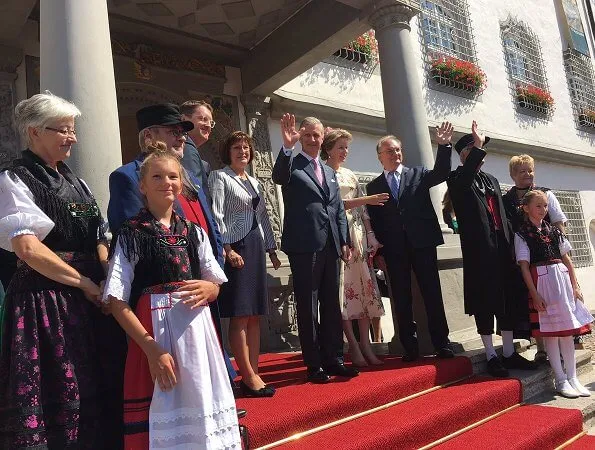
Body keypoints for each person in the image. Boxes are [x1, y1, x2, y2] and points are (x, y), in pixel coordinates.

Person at [0, 92, 124, 448]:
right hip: (45, 300)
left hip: (88, 297)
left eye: (73, 129)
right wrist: (84, 282)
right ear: (35, 131)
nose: (73, 137)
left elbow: (99, 232)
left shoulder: (76, 181)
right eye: (64, 130)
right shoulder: (15, 178)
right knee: (56, 389)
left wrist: (105, 279)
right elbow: (28, 248)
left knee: (97, 387)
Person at [103, 148, 240, 448]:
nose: (166, 182)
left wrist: (211, 289)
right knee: (166, 405)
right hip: (157, 334)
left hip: (198, 334)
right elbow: (115, 298)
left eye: (173, 176)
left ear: (181, 183)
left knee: (201, 400)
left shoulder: (194, 231)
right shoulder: (131, 233)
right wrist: (151, 349)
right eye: (157, 176)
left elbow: (215, 279)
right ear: (142, 186)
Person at [107, 103, 238, 389]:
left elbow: (205, 223)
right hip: (159, 304)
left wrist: (213, 277)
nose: (181, 138)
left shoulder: (186, 175)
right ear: (149, 136)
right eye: (173, 131)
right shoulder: (127, 176)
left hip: (198, 287)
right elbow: (137, 240)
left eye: (182, 132)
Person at [447, 121, 536, 378]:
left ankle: (508, 352)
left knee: (507, 300)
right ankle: (490, 354)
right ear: (465, 154)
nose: (483, 153)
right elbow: (465, 178)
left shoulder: (493, 180)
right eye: (477, 148)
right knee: (484, 302)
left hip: (502, 249)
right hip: (480, 252)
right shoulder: (457, 179)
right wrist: (476, 144)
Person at [272, 114, 357, 384]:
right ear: (301, 137)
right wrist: (286, 148)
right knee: (308, 306)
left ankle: (335, 358)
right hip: (304, 246)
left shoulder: (330, 170)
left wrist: (344, 239)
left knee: (331, 305)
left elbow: (337, 208)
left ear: (323, 138)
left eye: (316, 135)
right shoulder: (292, 165)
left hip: (331, 246)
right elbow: (278, 176)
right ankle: (314, 364)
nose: (312, 140)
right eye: (307, 135)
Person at [366, 124, 454, 362]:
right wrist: (379, 253)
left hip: (422, 244)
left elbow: (442, 173)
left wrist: (444, 146)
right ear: (380, 157)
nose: (396, 154)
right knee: (401, 298)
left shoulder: (418, 174)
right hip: (394, 250)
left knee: (432, 294)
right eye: (390, 151)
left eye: (398, 150)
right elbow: (375, 220)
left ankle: (442, 343)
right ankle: (409, 347)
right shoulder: (373, 187)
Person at [209, 131, 281, 397]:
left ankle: (255, 371)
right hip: (236, 247)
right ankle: (247, 376)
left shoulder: (253, 181)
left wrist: (272, 249)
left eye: (246, 148)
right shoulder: (220, 176)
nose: (243, 152)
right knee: (240, 313)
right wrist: (226, 249)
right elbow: (216, 215)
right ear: (228, 152)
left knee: (254, 314)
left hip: (255, 245)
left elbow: (262, 216)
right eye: (237, 147)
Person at [515, 190, 593, 398]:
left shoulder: (553, 231)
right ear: (526, 208)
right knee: (551, 333)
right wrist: (535, 294)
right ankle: (560, 379)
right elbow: (524, 267)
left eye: (545, 206)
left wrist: (575, 285)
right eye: (538, 206)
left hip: (562, 281)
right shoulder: (522, 234)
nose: (543, 210)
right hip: (543, 283)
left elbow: (567, 259)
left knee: (567, 331)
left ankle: (573, 377)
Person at [321, 128, 387, 366]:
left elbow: (363, 211)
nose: (345, 151)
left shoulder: (350, 174)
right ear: (328, 149)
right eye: (340, 147)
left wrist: (370, 235)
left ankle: (367, 346)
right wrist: (367, 199)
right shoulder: (324, 172)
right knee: (345, 293)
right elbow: (337, 205)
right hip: (339, 237)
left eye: (346, 147)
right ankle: (353, 347)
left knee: (363, 291)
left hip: (358, 236)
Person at [502, 154, 570, 363]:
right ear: (513, 175)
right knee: (535, 305)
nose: (527, 174)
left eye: (530, 170)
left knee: (555, 303)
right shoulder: (506, 200)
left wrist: (563, 254)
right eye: (522, 171)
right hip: (525, 258)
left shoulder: (546, 194)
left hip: (548, 257)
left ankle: (560, 348)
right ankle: (541, 348)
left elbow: (559, 222)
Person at [180, 100, 215, 201]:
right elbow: (194, 194)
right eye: (202, 119)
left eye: (211, 122)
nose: (208, 125)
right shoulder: (185, 147)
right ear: (184, 119)